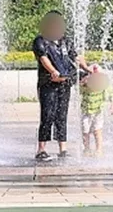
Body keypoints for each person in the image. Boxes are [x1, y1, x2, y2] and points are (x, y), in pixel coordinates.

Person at [33, 10, 89, 161]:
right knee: (47, 115)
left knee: (61, 115)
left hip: (65, 83)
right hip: (48, 83)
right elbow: (43, 58)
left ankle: (62, 149)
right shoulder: (40, 40)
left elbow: (76, 57)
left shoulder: (66, 40)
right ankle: (41, 150)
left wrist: (87, 69)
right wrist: (53, 72)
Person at [80, 65, 113, 157]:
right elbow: (79, 89)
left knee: (97, 131)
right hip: (86, 111)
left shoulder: (103, 83)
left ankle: (99, 149)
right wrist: (84, 82)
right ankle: (86, 149)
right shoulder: (86, 84)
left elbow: (110, 93)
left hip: (98, 111)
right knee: (85, 131)